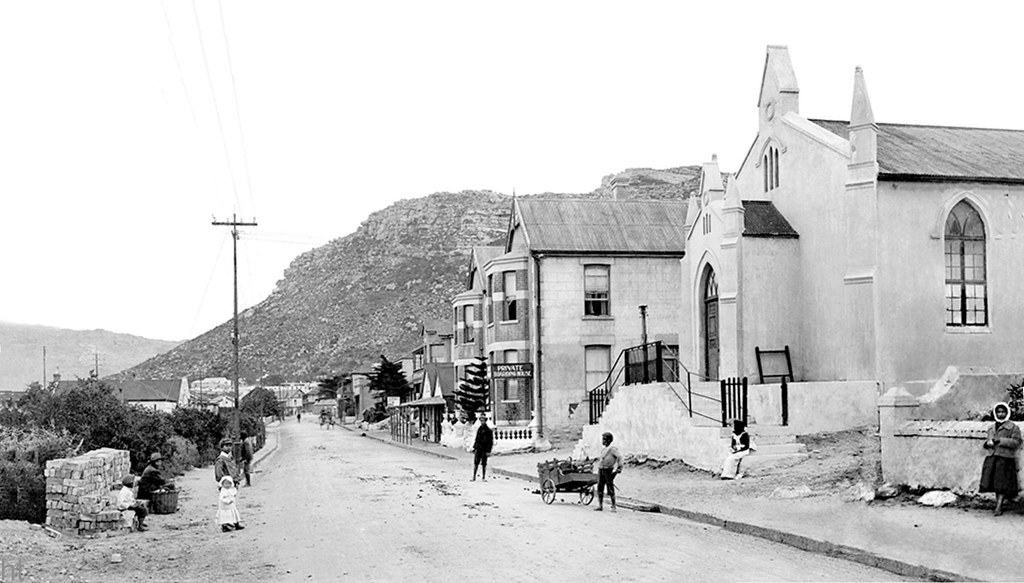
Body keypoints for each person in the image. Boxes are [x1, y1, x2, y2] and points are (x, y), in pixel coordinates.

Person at [980, 402, 1022, 516]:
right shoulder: (991, 428)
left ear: (1007, 413)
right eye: (998, 412)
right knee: (993, 483)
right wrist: (987, 444)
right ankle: (998, 503)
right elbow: (989, 441)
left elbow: (1017, 442)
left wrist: (1000, 440)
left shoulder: (1013, 427)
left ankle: (999, 506)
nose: (1001, 414)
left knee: (1001, 484)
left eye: (1003, 412)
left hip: (1005, 458)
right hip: (993, 457)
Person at [595, 432, 623, 512]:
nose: (602, 441)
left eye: (604, 439)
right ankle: (600, 506)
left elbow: (620, 457)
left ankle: (613, 506)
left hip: (608, 471)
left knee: (610, 488)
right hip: (601, 470)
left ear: (608, 440)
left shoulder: (612, 449)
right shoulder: (603, 450)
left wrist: (619, 468)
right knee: (600, 487)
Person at [471, 414, 493, 481]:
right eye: (481, 421)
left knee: (484, 463)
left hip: (484, 448)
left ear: (485, 421)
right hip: (478, 448)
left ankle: (483, 477)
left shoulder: (489, 430)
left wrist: (488, 451)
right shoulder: (479, 429)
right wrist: (474, 447)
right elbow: (477, 438)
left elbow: (490, 441)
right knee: (476, 462)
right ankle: (474, 476)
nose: (482, 422)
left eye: (483, 421)